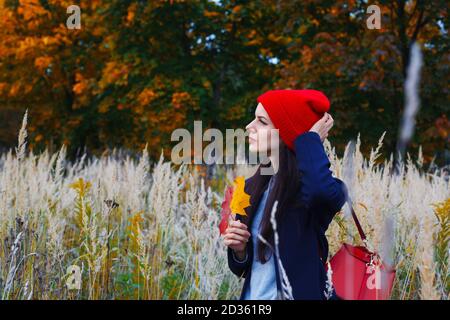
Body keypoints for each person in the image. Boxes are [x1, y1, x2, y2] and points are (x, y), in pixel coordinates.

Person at [222, 89, 348, 300]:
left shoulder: (313, 190)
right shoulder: (251, 187)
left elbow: (322, 194)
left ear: (287, 132)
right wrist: (240, 251)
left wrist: (310, 139)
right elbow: (247, 269)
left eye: (261, 121)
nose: (249, 127)